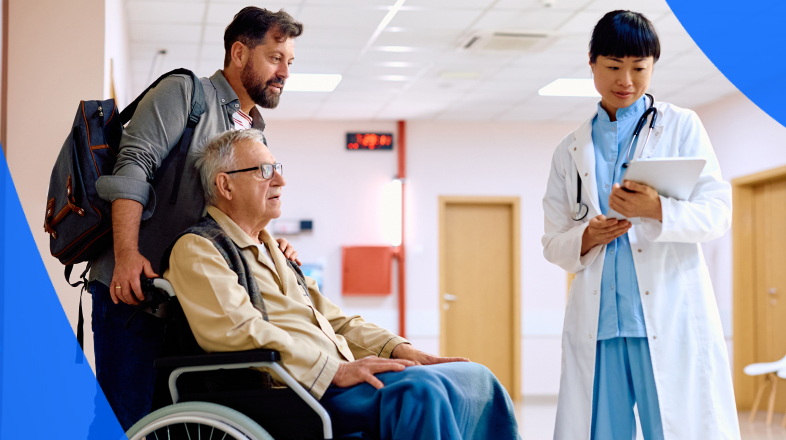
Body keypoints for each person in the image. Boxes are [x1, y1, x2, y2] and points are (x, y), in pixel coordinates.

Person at [161, 128, 520, 439]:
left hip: (335, 380)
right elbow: (238, 331)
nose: (280, 180)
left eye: (278, 169)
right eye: (265, 171)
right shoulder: (199, 249)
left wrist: (400, 350)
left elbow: (338, 322)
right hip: (295, 391)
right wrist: (336, 370)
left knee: (476, 378)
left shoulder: (276, 251)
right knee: (420, 391)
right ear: (225, 184)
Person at [90, 7, 304, 431]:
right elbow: (133, 165)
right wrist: (127, 254)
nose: (284, 72)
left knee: (173, 425)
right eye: (275, 58)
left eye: (289, 63)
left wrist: (268, 243)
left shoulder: (253, 132)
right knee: (123, 422)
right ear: (239, 53)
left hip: (187, 306)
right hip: (134, 293)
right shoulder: (185, 94)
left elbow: (239, 212)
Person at [541, 10, 739, 440]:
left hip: (665, 316)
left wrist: (658, 210)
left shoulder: (681, 126)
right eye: (613, 66)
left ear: (652, 66)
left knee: (671, 428)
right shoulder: (569, 150)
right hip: (599, 325)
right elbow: (553, 242)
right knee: (599, 432)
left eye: (639, 68)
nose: (626, 80)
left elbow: (717, 213)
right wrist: (586, 236)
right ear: (592, 63)